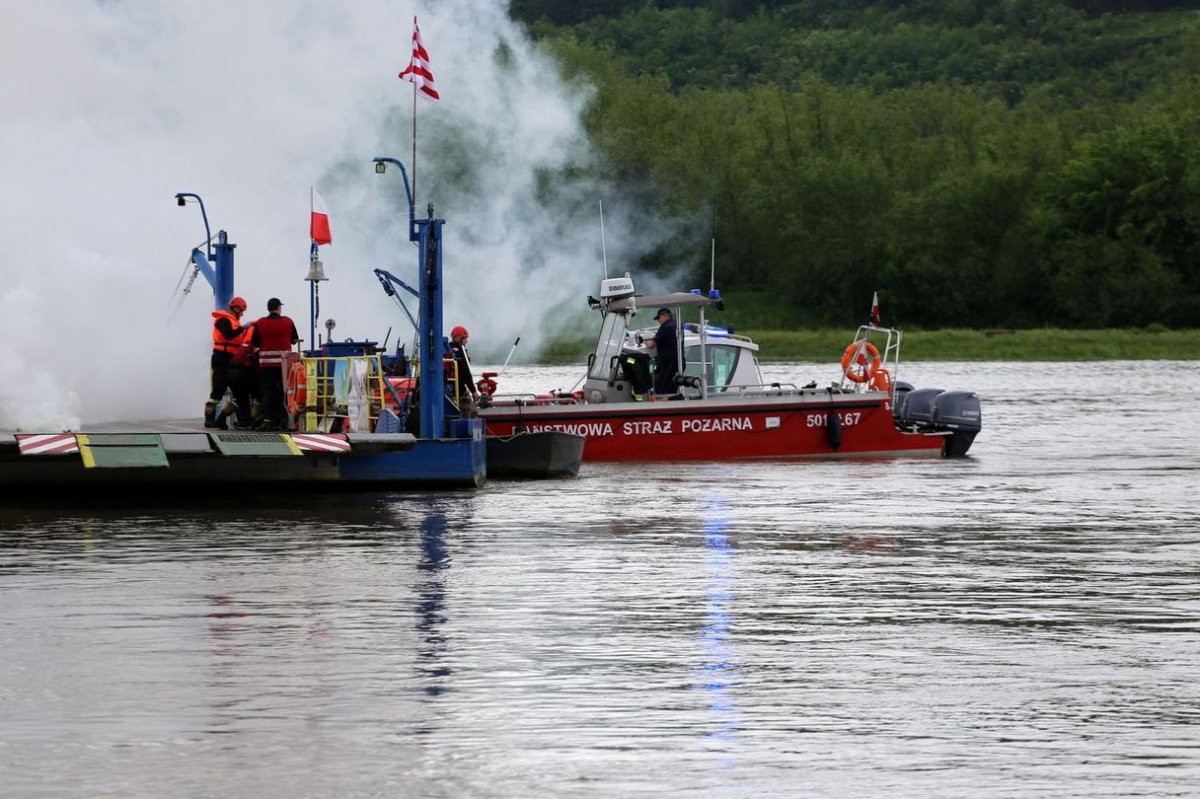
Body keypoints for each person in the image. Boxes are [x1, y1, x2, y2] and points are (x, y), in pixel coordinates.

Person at [250, 297, 299, 431]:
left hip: (266, 365)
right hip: (284, 366)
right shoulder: (288, 321)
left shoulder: (260, 323)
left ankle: (267, 421)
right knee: (284, 393)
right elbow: (294, 339)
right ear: (278, 308)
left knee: (267, 393)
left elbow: (255, 343)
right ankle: (282, 421)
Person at [205, 296, 249, 428]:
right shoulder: (222, 320)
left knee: (239, 390)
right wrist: (243, 329)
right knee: (218, 391)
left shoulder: (235, 322)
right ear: (235, 308)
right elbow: (228, 334)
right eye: (241, 310)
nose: (242, 313)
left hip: (232, 359)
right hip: (221, 358)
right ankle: (209, 419)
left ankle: (222, 418)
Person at [644, 307, 682, 396]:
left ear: (664, 315)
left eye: (658, 318)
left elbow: (651, 345)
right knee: (672, 388)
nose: (658, 321)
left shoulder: (665, 327)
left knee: (662, 390)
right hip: (678, 362)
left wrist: (645, 341)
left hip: (668, 364)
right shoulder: (678, 325)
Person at [449, 325, 479, 414]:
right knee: (472, 411)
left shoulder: (447, 349)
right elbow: (466, 373)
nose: (467, 341)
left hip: (448, 386)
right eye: (465, 338)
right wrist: (474, 391)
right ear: (459, 338)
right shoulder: (461, 353)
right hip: (459, 388)